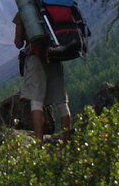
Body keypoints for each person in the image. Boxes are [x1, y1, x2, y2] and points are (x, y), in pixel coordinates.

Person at [13, 12, 73, 141]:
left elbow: (18, 42)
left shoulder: (25, 7)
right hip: (55, 54)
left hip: (36, 57)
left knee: (36, 102)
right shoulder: (50, 4)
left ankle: (39, 145)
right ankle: (67, 142)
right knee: (62, 102)